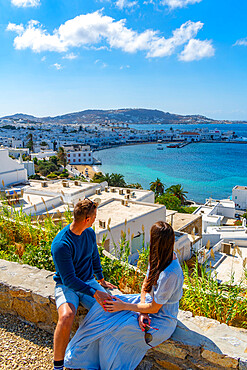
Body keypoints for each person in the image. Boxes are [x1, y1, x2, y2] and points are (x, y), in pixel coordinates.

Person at [64, 221, 184, 370]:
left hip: (162, 319)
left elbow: (154, 308)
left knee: (113, 328)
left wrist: (124, 306)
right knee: (104, 309)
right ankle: (78, 358)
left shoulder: (170, 273)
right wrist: (141, 311)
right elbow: (145, 284)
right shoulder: (158, 257)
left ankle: (105, 365)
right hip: (145, 304)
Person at [51, 198, 116, 370]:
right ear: (87, 219)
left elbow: (94, 257)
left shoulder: (89, 233)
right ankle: (58, 365)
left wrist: (101, 281)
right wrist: (95, 292)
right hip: (67, 286)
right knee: (66, 317)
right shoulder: (61, 244)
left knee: (110, 308)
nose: (96, 218)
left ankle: (91, 355)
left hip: (88, 281)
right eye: (95, 216)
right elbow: (69, 280)